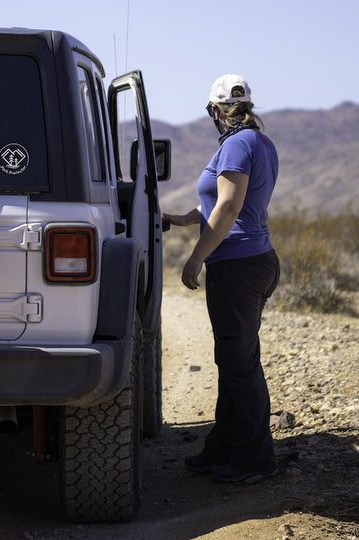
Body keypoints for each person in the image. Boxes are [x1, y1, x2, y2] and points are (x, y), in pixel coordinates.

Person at [163, 73, 280, 483]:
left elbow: (228, 208)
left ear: (215, 110)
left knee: (240, 365)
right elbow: (218, 204)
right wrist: (181, 219)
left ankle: (257, 460)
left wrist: (196, 257)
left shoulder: (235, 144)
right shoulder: (261, 142)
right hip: (256, 261)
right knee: (234, 360)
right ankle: (223, 448)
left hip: (238, 266)